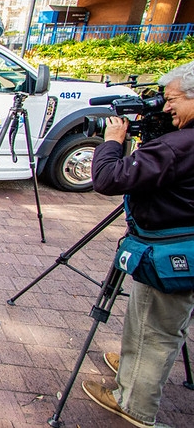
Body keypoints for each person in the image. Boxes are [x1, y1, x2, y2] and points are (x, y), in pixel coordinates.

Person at [82, 61, 194, 428]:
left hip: (169, 250)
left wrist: (113, 141)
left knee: (156, 328)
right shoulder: (181, 141)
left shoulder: (181, 146)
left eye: (172, 99)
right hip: (171, 243)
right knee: (151, 320)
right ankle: (133, 363)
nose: (165, 107)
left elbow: (110, 178)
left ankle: (133, 403)